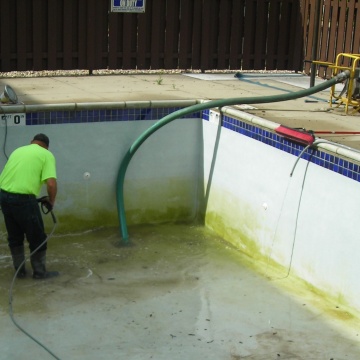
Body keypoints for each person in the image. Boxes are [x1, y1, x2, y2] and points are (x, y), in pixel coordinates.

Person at [0, 133, 59, 279]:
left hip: (3, 196)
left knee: (15, 236)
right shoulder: (46, 154)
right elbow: (51, 184)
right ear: (46, 146)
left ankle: (19, 272)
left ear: (32, 142)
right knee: (37, 237)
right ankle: (40, 273)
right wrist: (51, 201)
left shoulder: (18, 150)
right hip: (23, 200)